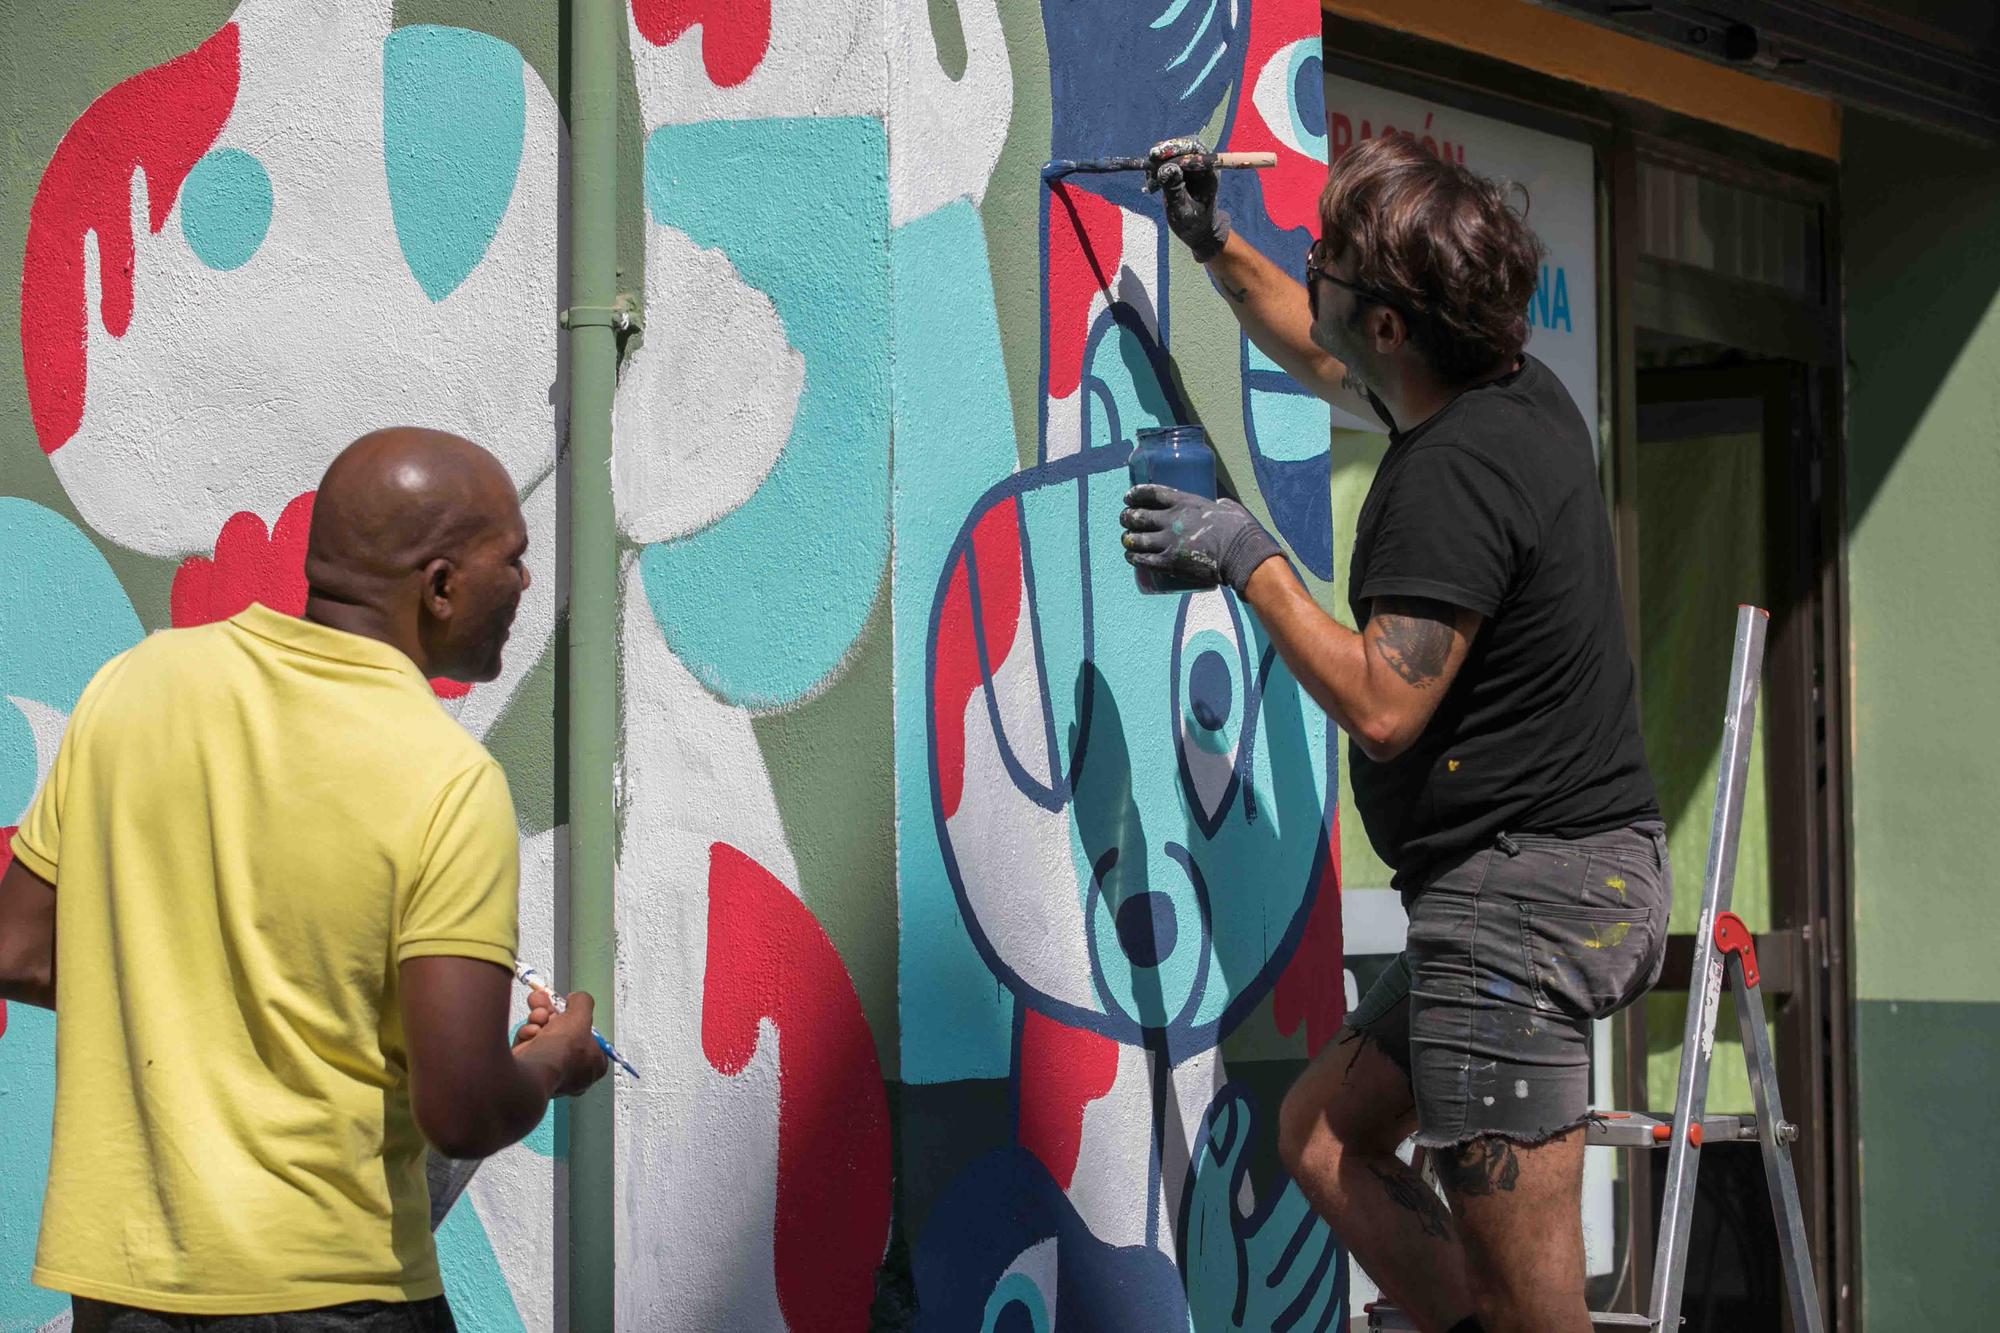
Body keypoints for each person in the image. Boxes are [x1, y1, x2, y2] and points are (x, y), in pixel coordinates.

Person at [1123, 135, 1668, 1333]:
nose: (1306, 265)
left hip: (1518, 910)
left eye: (1325, 259)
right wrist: (1211, 240)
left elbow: (1382, 706)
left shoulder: (1451, 475)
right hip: (1554, 878)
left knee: (1538, 1313)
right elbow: (1314, 345)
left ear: (1391, 330)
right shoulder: (1501, 389)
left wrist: (1245, 556)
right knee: (1323, 1134)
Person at [0, 428, 609, 1332]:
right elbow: (462, 1108)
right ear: (440, 586)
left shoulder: (135, 684)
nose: (524, 584)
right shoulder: (446, 779)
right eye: (512, 560)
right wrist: (554, 1059)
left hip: (122, 1293)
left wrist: (192, 995)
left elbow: (16, 950)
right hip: (331, 1296)